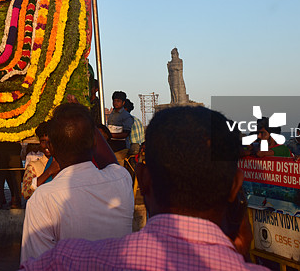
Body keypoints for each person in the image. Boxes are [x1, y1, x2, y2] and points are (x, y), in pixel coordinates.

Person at [21, 105, 269, 271]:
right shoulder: (117, 178)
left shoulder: (68, 259)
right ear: (236, 186)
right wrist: (241, 257)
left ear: (144, 181)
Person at [20, 103, 134, 264]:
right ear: (94, 142)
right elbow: (110, 160)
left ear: (51, 147)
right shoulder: (121, 179)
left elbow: (35, 264)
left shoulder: (43, 198)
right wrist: (83, 116)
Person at [22, 122, 58, 200]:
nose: (47, 145)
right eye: (43, 141)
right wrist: (48, 172)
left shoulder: (64, 162)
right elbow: (26, 194)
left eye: (50, 141)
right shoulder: (33, 166)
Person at [0, 140, 23, 209]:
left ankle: (17, 201)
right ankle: (0, 200)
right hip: (0, 147)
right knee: (0, 175)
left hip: (12, 147)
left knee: (16, 176)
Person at [106, 91, 133, 165]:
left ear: (123, 103)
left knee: (117, 166)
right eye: (114, 101)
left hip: (121, 147)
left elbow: (126, 134)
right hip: (112, 145)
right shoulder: (111, 114)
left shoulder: (126, 116)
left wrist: (110, 135)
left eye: (118, 101)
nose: (116, 103)